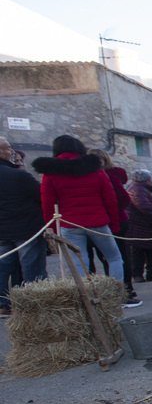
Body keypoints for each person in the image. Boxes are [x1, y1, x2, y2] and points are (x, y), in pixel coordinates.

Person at [33, 135, 133, 306]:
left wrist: (53, 229)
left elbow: (47, 203)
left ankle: (84, 299)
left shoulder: (50, 173)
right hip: (98, 221)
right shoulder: (95, 169)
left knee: (79, 263)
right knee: (114, 258)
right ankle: (116, 295)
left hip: (70, 223)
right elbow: (110, 199)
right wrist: (114, 223)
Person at [0, 136, 49, 317]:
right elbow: (41, 196)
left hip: (3, 231)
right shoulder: (18, 175)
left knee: (3, 268)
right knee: (32, 268)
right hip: (26, 228)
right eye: (7, 148)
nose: (11, 151)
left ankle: (3, 304)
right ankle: (36, 304)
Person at [86, 148, 139, 306]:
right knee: (101, 258)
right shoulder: (89, 176)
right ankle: (97, 292)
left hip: (112, 221)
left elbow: (122, 199)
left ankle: (124, 290)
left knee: (117, 257)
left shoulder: (110, 177)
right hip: (93, 222)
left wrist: (110, 214)